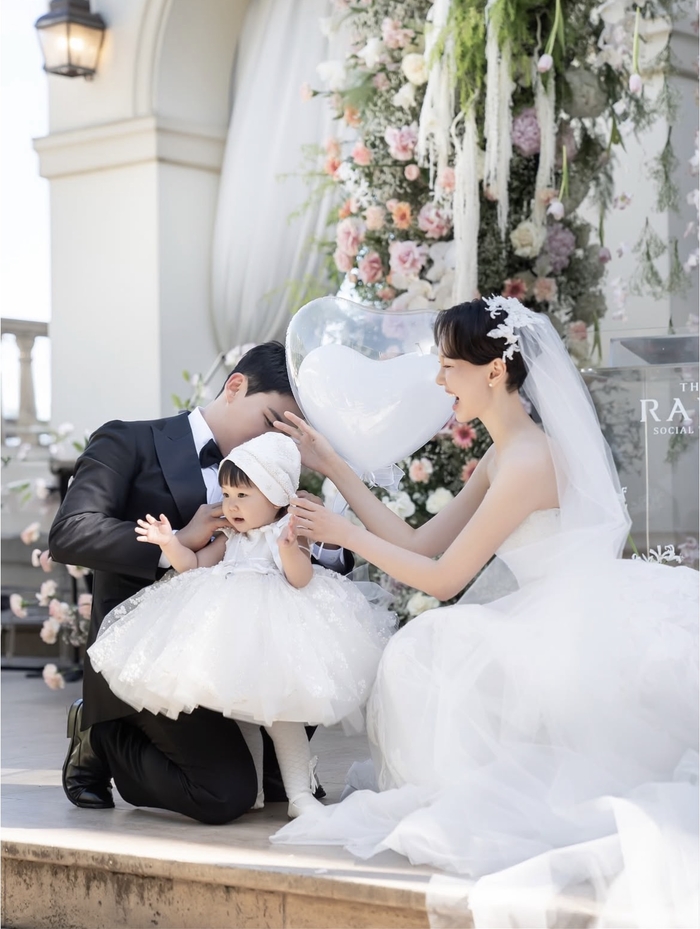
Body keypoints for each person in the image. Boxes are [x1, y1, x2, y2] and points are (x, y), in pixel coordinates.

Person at [272, 298, 699, 928]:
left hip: (570, 621)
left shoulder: (527, 461)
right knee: (432, 648)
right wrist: (331, 462)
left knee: (426, 650)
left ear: (494, 371)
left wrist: (345, 533)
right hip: (544, 610)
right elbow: (420, 542)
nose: (439, 380)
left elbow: (444, 580)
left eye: (449, 366)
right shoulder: (506, 452)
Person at [49, 342, 353, 825]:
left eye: (289, 435)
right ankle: (103, 736)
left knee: (276, 784)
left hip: (247, 655)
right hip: (154, 656)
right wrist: (179, 540)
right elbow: (70, 532)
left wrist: (327, 538)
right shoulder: (128, 440)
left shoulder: (277, 472)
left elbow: (300, 578)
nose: (275, 440)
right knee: (224, 795)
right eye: (271, 422)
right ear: (235, 387)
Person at [87, 432, 395, 818]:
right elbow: (193, 565)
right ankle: (255, 790)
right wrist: (169, 543)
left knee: (281, 717)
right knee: (239, 715)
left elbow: (300, 578)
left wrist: (288, 550)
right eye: (227, 494)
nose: (231, 505)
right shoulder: (229, 536)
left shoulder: (287, 532)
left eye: (243, 495)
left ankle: (299, 794)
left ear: (277, 495)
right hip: (231, 635)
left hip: (273, 633)